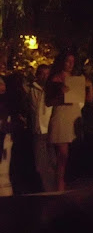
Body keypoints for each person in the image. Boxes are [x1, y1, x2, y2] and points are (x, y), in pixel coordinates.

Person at [46, 51, 85, 191]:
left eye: (73, 62)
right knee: (63, 157)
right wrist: (60, 94)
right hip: (61, 118)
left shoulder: (76, 79)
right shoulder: (55, 79)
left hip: (74, 117)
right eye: (68, 61)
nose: (70, 64)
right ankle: (59, 189)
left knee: (73, 158)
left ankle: (70, 189)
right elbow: (48, 102)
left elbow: (85, 99)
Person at [26, 64, 56, 192]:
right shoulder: (31, 89)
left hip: (51, 129)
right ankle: (48, 190)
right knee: (41, 164)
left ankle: (55, 189)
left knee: (53, 161)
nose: (45, 77)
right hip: (38, 131)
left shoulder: (53, 90)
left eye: (47, 74)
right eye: (42, 74)